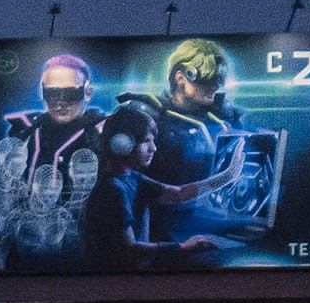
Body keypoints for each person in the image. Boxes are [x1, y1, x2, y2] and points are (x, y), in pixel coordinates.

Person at [0, 53, 112, 269]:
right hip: (25, 245)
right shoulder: (24, 130)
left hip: (86, 248)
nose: (60, 101)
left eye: (70, 93)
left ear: (87, 92)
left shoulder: (103, 132)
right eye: (52, 93)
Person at [80, 104, 227, 270]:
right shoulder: (113, 189)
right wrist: (183, 247)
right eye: (146, 141)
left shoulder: (131, 178)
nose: (153, 148)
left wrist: (226, 177)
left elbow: (179, 194)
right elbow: (130, 249)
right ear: (122, 144)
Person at [136, 38, 252, 242]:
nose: (214, 87)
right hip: (160, 229)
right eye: (207, 79)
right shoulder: (149, 114)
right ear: (181, 78)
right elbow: (133, 185)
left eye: (218, 79)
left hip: (219, 223)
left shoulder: (225, 117)